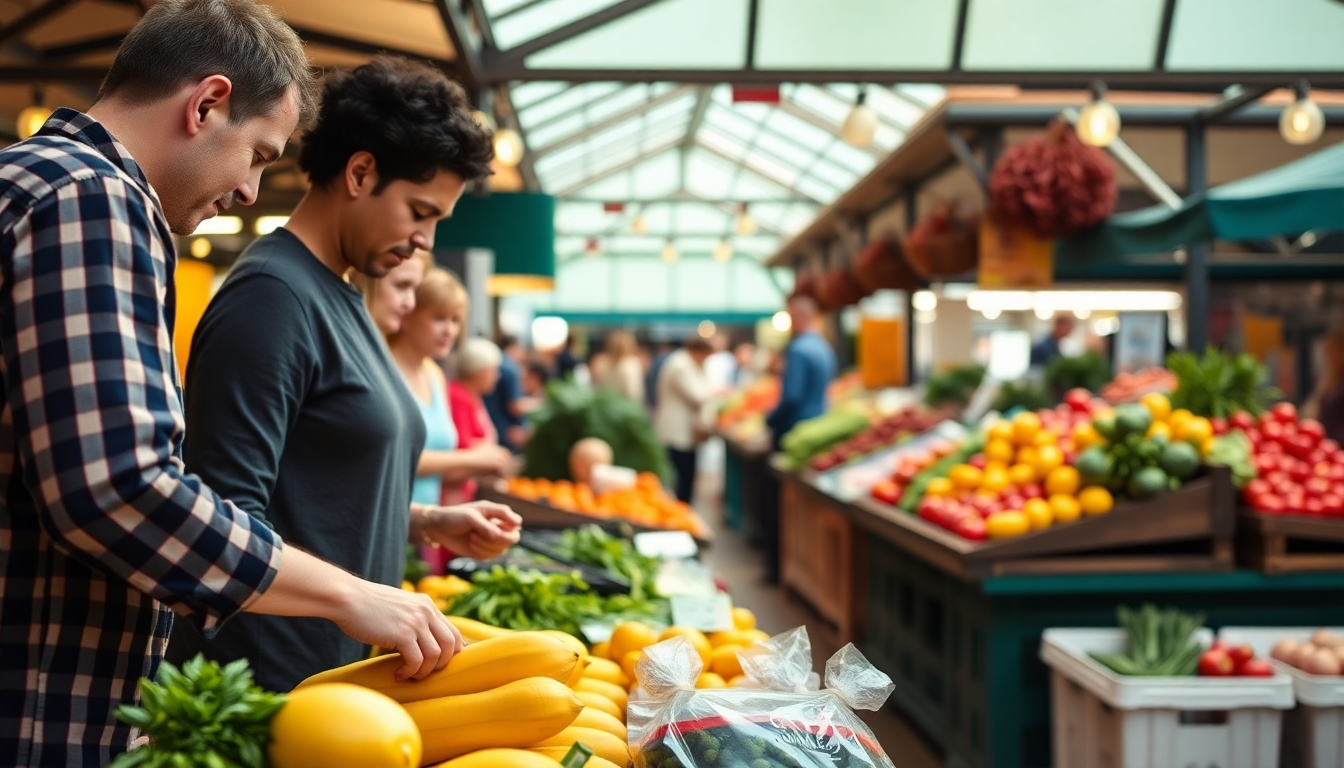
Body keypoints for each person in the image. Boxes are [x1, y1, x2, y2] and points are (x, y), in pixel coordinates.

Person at [0, 3, 460, 764]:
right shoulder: (91, 199)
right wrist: (353, 597)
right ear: (207, 103)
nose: (251, 191)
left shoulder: (42, 185)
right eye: (257, 154)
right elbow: (118, 488)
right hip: (37, 708)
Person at [168, 55, 520, 693]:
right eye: (420, 211)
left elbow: (311, 490)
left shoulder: (341, 295)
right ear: (360, 173)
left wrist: (422, 521)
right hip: (277, 691)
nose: (427, 240)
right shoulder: (273, 297)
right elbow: (223, 517)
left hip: (343, 682)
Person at [762, 295, 837, 583]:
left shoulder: (798, 349)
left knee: (778, 506)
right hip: (816, 432)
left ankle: (776, 570)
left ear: (796, 316)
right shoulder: (824, 348)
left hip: (792, 434)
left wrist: (770, 422)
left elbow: (791, 396)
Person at [656, 337, 718, 504]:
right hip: (677, 432)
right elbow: (697, 396)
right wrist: (718, 391)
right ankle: (680, 513)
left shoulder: (685, 363)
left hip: (684, 432)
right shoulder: (680, 366)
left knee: (687, 476)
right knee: (683, 477)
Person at [445, 337, 506, 505]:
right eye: (493, 370)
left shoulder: (473, 398)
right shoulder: (458, 398)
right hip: (452, 496)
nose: (497, 376)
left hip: (465, 492)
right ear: (477, 371)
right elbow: (459, 450)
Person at [486, 334, 529, 452]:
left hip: (493, 427)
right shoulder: (510, 369)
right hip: (508, 432)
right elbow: (514, 406)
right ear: (514, 347)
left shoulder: (498, 364)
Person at [1306, 329, 1344, 444]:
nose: (1328, 357)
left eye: (1332, 351)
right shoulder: (1331, 377)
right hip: (1329, 444)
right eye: (1327, 352)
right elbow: (1315, 404)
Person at [598, 330, 646, 403]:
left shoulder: (603, 365)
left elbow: (601, 391)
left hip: (609, 407)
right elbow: (634, 393)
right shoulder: (631, 364)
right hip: (627, 409)